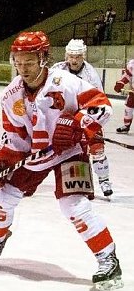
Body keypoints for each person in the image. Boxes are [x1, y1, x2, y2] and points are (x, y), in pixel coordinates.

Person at [0, 31, 122, 291]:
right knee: (3, 199)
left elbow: (103, 106)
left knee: (73, 206)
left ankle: (108, 257)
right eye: (18, 62)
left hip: (69, 152)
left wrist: (77, 123)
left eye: (28, 62)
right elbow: (16, 140)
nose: (23, 69)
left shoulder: (66, 82)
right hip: (35, 155)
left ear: (43, 58)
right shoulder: (11, 97)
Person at [50, 39, 113, 197]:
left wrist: (81, 120)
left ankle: (104, 181)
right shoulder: (58, 69)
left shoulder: (90, 74)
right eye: (71, 56)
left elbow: (98, 103)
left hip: (86, 116)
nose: (74, 60)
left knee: (97, 148)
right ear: (67, 55)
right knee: (66, 150)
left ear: (83, 56)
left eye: (77, 56)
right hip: (64, 118)